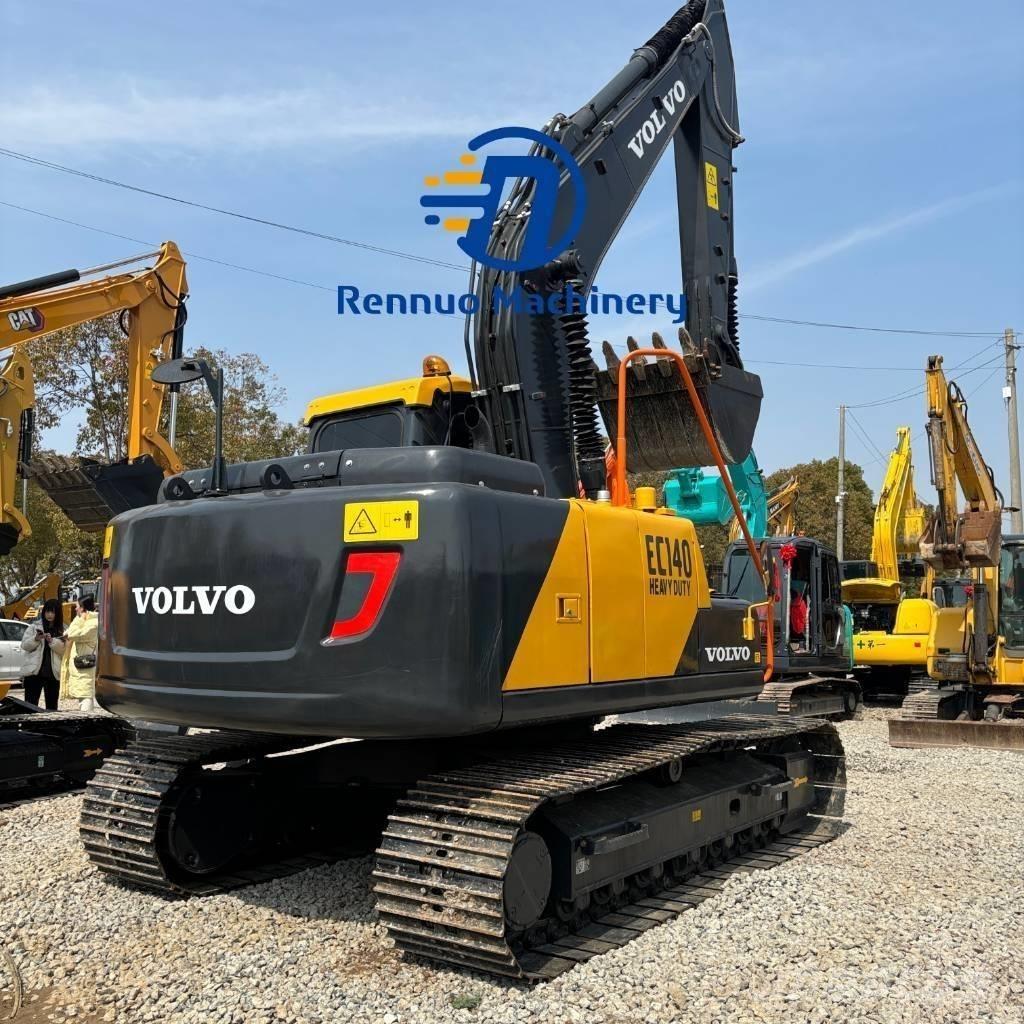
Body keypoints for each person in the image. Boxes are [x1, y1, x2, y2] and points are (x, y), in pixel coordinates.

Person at [20, 598, 66, 710]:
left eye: (53, 612)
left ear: (58, 613)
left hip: (53, 673)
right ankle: (29, 727)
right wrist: (35, 639)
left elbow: (65, 651)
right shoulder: (34, 626)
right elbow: (24, 645)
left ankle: (51, 727)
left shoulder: (63, 629)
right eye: (47, 611)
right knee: (30, 706)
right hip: (34, 672)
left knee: (52, 707)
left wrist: (52, 641)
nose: (49, 615)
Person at [61, 596, 99, 712]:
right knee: (82, 696)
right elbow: (67, 633)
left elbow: (72, 634)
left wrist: (79, 620)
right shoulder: (85, 621)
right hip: (81, 666)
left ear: (83, 608)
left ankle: (87, 722)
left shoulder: (93, 623)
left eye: (77, 606)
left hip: (85, 667)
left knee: (86, 696)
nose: (75, 609)